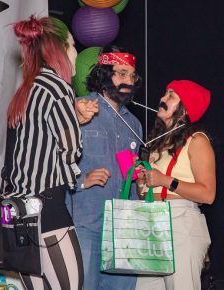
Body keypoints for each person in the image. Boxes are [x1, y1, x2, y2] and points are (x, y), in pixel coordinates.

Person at [2, 16, 96, 289]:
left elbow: (34, 140)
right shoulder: (57, 88)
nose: (76, 53)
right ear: (59, 49)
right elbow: (70, 150)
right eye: (72, 46)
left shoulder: (26, 89)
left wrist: (73, 120)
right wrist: (74, 126)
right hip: (47, 209)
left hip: (16, 211)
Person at [66, 45, 143, 290]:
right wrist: (81, 180)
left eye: (132, 75)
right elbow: (51, 158)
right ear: (103, 74)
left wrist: (139, 179)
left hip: (123, 229)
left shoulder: (133, 123)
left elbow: (128, 172)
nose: (127, 81)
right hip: (86, 224)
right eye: (121, 73)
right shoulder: (80, 109)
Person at [135, 80, 216, 290]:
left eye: (171, 96)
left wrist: (165, 180)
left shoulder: (197, 141)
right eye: (165, 93)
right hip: (151, 224)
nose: (162, 98)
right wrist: (141, 181)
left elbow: (208, 194)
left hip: (181, 223)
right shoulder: (155, 142)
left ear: (184, 109)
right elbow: (147, 192)